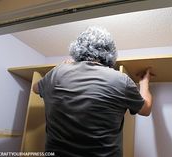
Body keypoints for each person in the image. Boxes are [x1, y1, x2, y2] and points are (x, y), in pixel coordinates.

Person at [33, 26, 153, 157]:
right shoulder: (120, 80)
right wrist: (144, 83)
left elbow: (35, 88)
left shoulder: (57, 73)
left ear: (77, 49)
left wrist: (61, 67)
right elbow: (145, 109)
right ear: (110, 53)